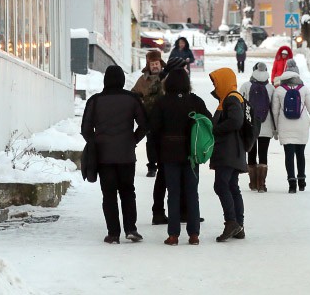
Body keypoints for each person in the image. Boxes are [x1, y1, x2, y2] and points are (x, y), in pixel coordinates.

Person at [81, 65, 147, 244]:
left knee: (109, 194)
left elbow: (85, 129)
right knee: (128, 191)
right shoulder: (132, 99)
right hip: (126, 155)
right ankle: (131, 229)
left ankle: (113, 234)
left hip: (104, 157)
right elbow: (144, 124)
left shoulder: (95, 101)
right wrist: (133, 140)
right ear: (122, 80)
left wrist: (95, 143)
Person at [150, 68, 212, 246]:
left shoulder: (162, 102)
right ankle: (194, 235)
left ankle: (173, 235)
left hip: (169, 153)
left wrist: (154, 155)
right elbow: (208, 122)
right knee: (192, 193)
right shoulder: (195, 101)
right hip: (191, 154)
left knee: (173, 193)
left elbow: (154, 128)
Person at [271, 59, 310, 193]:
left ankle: (292, 183)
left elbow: (275, 112)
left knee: (289, 155)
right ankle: (302, 181)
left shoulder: (279, 90)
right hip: (301, 127)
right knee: (300, 154)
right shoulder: (303, 89)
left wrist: (275, 129)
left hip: (285, 127)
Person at [209, 67, 247, 242]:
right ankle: (238, 226)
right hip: (234, 150)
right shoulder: (231, 98)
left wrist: (215, 129)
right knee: (232, 186)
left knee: (221, 185)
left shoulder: (231, 98)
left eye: (216, 82)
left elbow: (236, 121)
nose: (215, 86)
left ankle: (231, 222)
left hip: (228, 150)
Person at [239, 62, 276, 192]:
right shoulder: (271, 88)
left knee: (251, 153)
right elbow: (274, 110)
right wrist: (275, 128)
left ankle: (253, 183)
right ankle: (262, 184)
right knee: (263, 154)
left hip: (250, 126)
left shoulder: (245, 86)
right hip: (266, 127)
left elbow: (240, 107)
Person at [131, 50, 165, 178]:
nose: (155, 66)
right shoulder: (143, 79)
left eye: (157, 63)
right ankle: (152, 166)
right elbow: (134, 93)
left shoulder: (167, 77)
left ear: (161, 64)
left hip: (165, 117)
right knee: (151, 142)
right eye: (152, 64)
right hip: (149, 116)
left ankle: (164, 164)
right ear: (148, 65)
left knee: (164, 142)